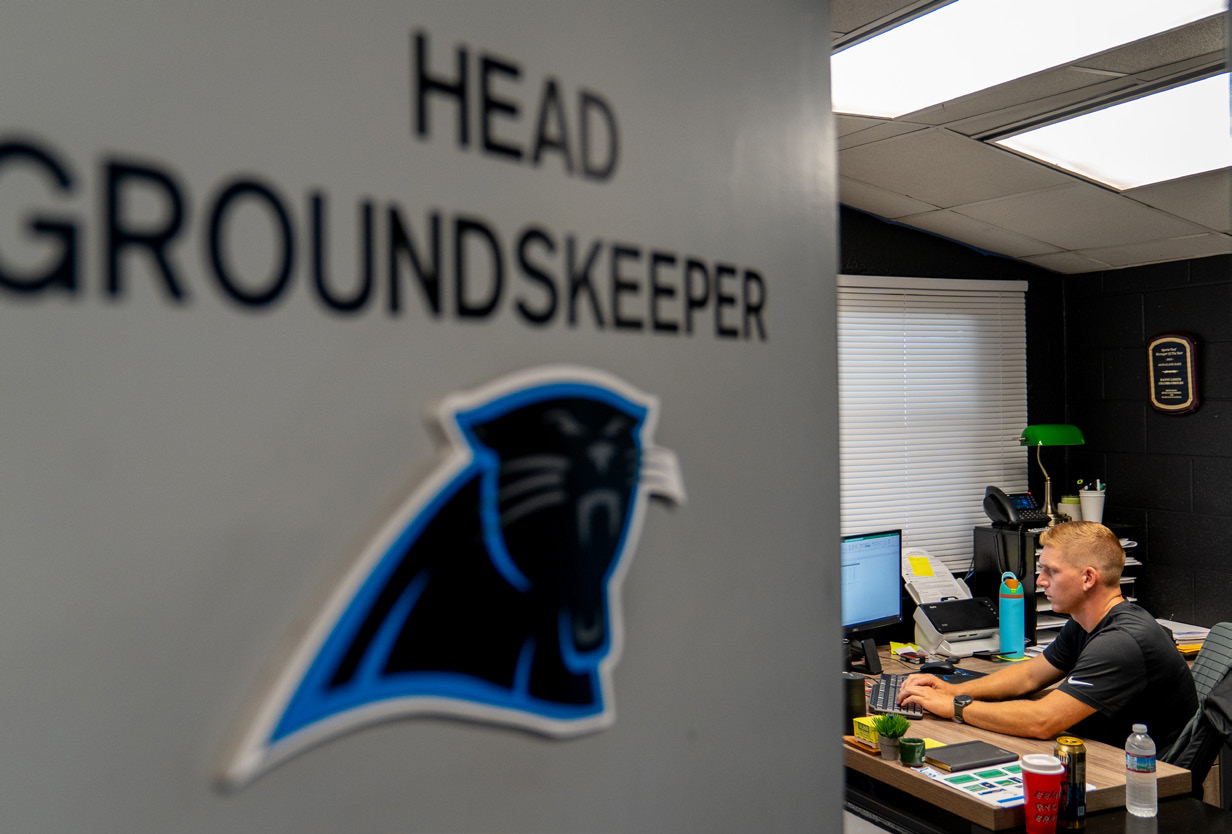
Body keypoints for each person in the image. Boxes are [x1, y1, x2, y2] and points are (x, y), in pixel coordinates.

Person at [898, 520, 1197, 752]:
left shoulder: (1121, 642)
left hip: (1140, 777)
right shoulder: (1086, 622)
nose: (1040, 580)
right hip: (1103, 750)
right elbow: (1029, 675)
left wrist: (955, 707)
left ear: (1088, 578)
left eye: (1051, 571)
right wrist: (950, 690)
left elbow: (1043, 720)